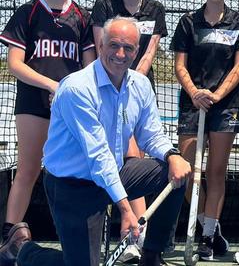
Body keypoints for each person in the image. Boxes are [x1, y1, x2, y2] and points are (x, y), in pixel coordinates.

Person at [0, 17, 192, 266]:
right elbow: (98, 155)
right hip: (72, 186)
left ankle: (151, 256)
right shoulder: (76, 89)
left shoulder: (141, 85)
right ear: (101, 46)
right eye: (114, 45)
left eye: (129, 48)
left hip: (113, 173)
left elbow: (150, 134)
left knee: (176, 172)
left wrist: (172, 155)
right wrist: (126, 209)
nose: (120, 54)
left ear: (137, 51)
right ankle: (20, 250)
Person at [0, 0, 95, 244]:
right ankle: (8, 236)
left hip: (68, 105)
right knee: (28, 168)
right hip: (33, 103)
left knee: (70, 171)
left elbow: (89, 65)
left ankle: (72, 235)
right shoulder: (27, 12)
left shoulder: (81, 16)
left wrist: (68, 90)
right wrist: (53, 85)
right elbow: (15, 64)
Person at [170, 0, 239, 260]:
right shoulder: (188, 23)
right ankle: (207, 223)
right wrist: (195, 93)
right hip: (193, 103)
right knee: (188, 171)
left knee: (217, 171)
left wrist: (217, 95)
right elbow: (179, 65)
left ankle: (207, 234)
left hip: (225, 104)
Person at [90, 0, 167, 262]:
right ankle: (126, 225)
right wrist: (118, 80)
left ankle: (136, 234)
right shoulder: (105, 5)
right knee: (118, 155)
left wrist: (134, 83)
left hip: (137, 86)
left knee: (138, 158)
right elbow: (102, 46)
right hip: (108, 86)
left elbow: (148, 52)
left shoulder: (155, 9)